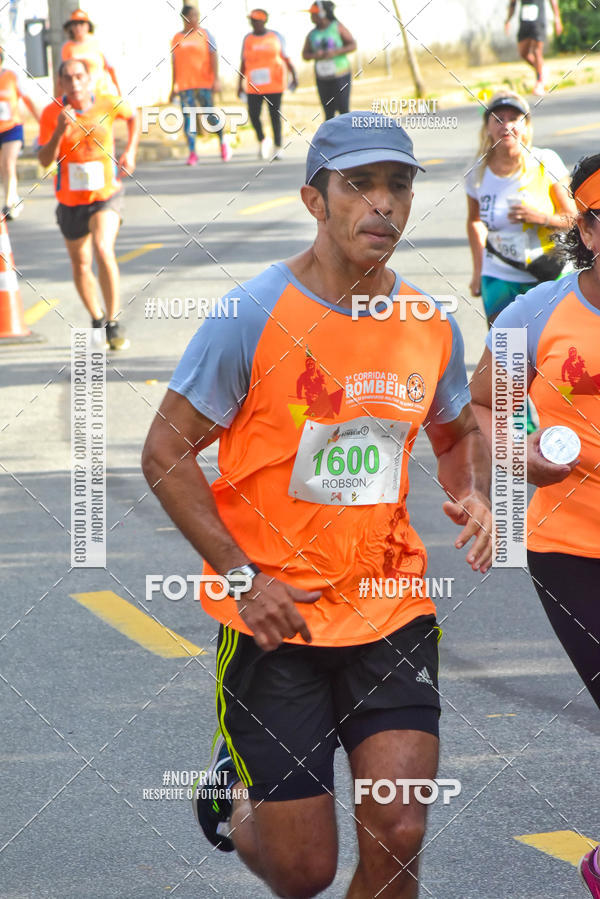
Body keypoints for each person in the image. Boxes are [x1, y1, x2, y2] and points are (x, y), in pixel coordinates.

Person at [142, 113, 492, 898]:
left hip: (389, 606)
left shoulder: (428, 326)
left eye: (398, 186)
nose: (382, 205)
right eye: (359, 185)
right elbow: (164, 452)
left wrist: (468, 494)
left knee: (400, 833)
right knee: (304, 871)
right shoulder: (251, 315)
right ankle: (233, 795)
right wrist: (243, 578)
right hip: (275, 615)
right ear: (314, 198)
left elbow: (453, 426)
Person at [470, 152, 600, 899]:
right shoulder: (538, 313)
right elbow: (484, 403)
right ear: (585, 226)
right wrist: (517, 455)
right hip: (571, 542)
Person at [38, 58, 139, 351]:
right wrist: (59, 130)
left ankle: (114, 320)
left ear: (89, 78)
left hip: (105, 193)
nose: (75, 83)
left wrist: (130, 150)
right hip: (70, 200)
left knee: (103, 248)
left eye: (79, 76)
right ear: (61, 84)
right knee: (81, 263)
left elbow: (134, 117)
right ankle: (97, 319)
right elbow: (44, 160)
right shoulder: (51, 113)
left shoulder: (107, 103)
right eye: (68, 78)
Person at [466, 90, 575, 330]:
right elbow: (474, 221)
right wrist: (478, 270)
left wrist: (540, 217)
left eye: (514, 119)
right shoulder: (477, 172)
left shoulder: (546, 161)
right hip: (500, 276)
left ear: (525, 126)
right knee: (509, 355)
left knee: (552, 350)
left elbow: (575, 219)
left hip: (550, 274)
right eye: (498, 118)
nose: (507, 125)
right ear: (487, 127)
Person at [170, 4, 231, 166]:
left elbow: (213, 56)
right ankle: (192, 153)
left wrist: (216, 80)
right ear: (184, 18)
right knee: (188, 118)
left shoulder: (205, 34)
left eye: (197, 15)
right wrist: (173, 87)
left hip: (204, 83)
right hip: (185, 85)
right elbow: (174, 64)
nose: (196, 19)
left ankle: (223, 141)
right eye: (192, 16)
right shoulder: (177, 38)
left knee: (210, 116)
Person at [237, 8, 298, 161]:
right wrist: (239, 84)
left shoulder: (276, 37)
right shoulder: (247, 39)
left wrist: (294, 76)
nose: (253, 23)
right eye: (251, 20)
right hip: (253, 86)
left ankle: (278, 147)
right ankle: (262, 139)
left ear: (264, 20)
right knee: (253, 115)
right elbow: (244, 63)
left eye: (256, 20)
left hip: (274, 85)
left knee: (274, 116)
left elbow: (286, 57)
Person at [0, 49, 39, 219]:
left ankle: (8, 204)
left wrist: (42, 122)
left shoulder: (11, 76)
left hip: (12, 128)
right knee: (3, 167)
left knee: (8, 163)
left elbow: (28, 99)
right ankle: (14, 198)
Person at [302, 1, 356, 121]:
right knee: (328, 112)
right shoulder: (312, 34)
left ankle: (348, 137)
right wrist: (315, 55)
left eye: (314, 14)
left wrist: (335, 52)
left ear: (323, 14)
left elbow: (352, 45)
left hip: (340, 75)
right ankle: (332, 139)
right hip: (322, 77)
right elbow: (305, 55)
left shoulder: (337, 27)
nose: (311, 17)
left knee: (343, 109)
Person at [505, 0, 562, 96]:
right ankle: (542, 70)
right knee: (523, 53)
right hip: (525, 21)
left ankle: (539, 82)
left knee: (537, 51)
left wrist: (557, 18)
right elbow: (513, 3)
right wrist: (508, 20)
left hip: (538, 20)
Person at [60, 8, 121, 96]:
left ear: (88, 26)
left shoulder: (99, 43)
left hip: (101, 92)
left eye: (81, 23)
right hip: (79, 95)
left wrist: (119, 91)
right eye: (75, 24)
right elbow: (64, 74)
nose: (78, 27)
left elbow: (111, 68)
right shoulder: (67, 47)